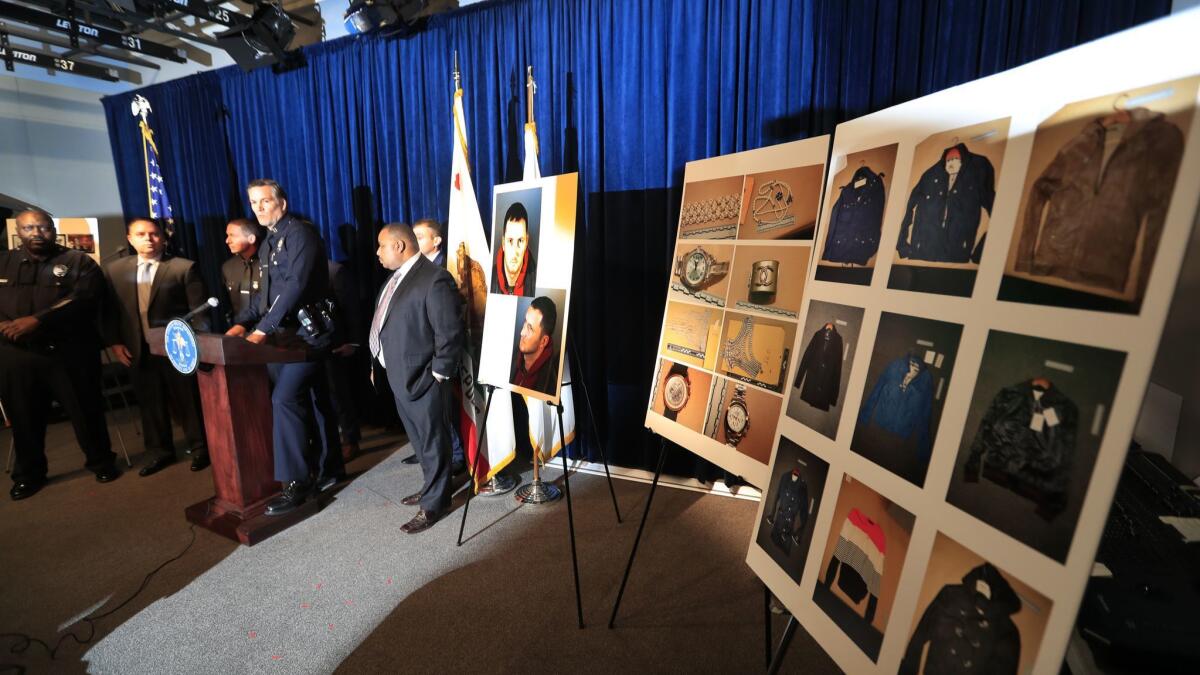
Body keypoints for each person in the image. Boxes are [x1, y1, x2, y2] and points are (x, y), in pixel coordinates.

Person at [225, 179, 344, 515]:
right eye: (254, 203)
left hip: (310, 334)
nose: (259, 208)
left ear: (282, 203)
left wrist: (261, 330)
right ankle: (330, 467)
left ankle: (297, 483)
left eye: (265, 202)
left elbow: (294, 287)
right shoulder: (269, 242)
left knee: (284, 398)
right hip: (284, 339)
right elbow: (265, 297)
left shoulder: (299, 234)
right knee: (314, 398)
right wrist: (240, 324)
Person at [1, 207, 121, 500]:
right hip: (18, 355)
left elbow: (84, 298)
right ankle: (29, 474)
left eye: (43, 228)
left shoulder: (77, 261)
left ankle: (101, 461)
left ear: (53, 230)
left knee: (85, 411)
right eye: (29, 228)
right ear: (18, 231)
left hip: (69, 352)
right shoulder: (3, 262)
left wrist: (37, 320)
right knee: (24, 417)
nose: (37, 233)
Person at [370, 222, 464, 534]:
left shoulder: (434, 278)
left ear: (399, 246)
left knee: (434, 441)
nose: (378, 252)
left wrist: (438, 373)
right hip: (399, 377)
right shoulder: (395, 278)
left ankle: (435, 504)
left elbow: (448, 332)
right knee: (420, 441)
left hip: (424, 378)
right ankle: (430, 487)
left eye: (382, 246)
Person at [104, 218, 210, 476]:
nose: (148, 239)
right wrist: (114, 342)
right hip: (136, 349)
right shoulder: (114, 270)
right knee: (150, 404)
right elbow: (107, 312)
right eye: (141, 234)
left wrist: (192, 346)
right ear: (130, 239)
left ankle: (201, 449)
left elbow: (199, 312)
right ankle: (159, 452)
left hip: (176, 349)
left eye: (153, 234)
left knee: (188, 402)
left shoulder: (183, 267)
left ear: (163, 237)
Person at [406, 218, 466, 474]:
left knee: (447, 406)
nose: (415, 241)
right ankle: (433, 450)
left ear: (437, 241)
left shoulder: (445, 269)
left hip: (443, 350)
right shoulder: (415, 269)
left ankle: (456, 455)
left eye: (420, 237)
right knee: (433, 410)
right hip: (422, 348)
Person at [324, 258, 363, 461]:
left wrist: (353, 342)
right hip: (308, 345)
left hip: (336, 344)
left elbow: (351, 310)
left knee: (339, 394)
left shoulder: (334, 271)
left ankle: (350, 439)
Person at [510, 296, 558, 396]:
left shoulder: (550, 385)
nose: (522, 333)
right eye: (525, 322)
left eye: (530, 328)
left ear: (544, 341)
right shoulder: (513, 354)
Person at [221, 217, 265, 321]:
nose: (227, 241)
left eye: (232, 236)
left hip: (268, 330)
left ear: (251, 239)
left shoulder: (268, 263)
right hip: (239, 329)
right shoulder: (227, 267)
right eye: (227, 235)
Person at [491, 202, 537, 295]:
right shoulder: (489, 277)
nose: (515, 251)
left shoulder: (538, 279)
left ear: (526, 242)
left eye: (520, 241)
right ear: (503, 243)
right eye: (510, 241)